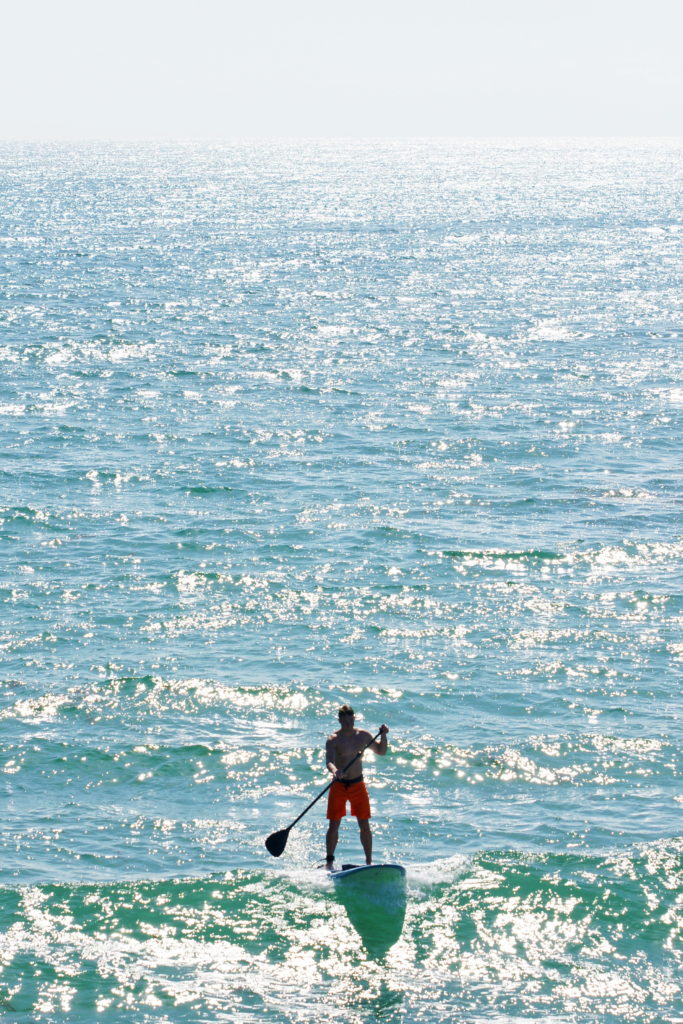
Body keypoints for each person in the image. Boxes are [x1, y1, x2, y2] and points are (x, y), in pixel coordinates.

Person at [324, 704, 389, 869]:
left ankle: (368, 862)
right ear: (339, 720)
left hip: (357, 785)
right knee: (334, 824)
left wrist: (384, 736)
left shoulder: (363, 736)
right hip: (339, 786)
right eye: (344, 720)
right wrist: (335, 771)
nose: (347, 722)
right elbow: (329, 761)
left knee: (364, 824)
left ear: (354, 718)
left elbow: (381, 751)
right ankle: (329, 862)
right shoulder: (333, 739)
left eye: (349, 719)